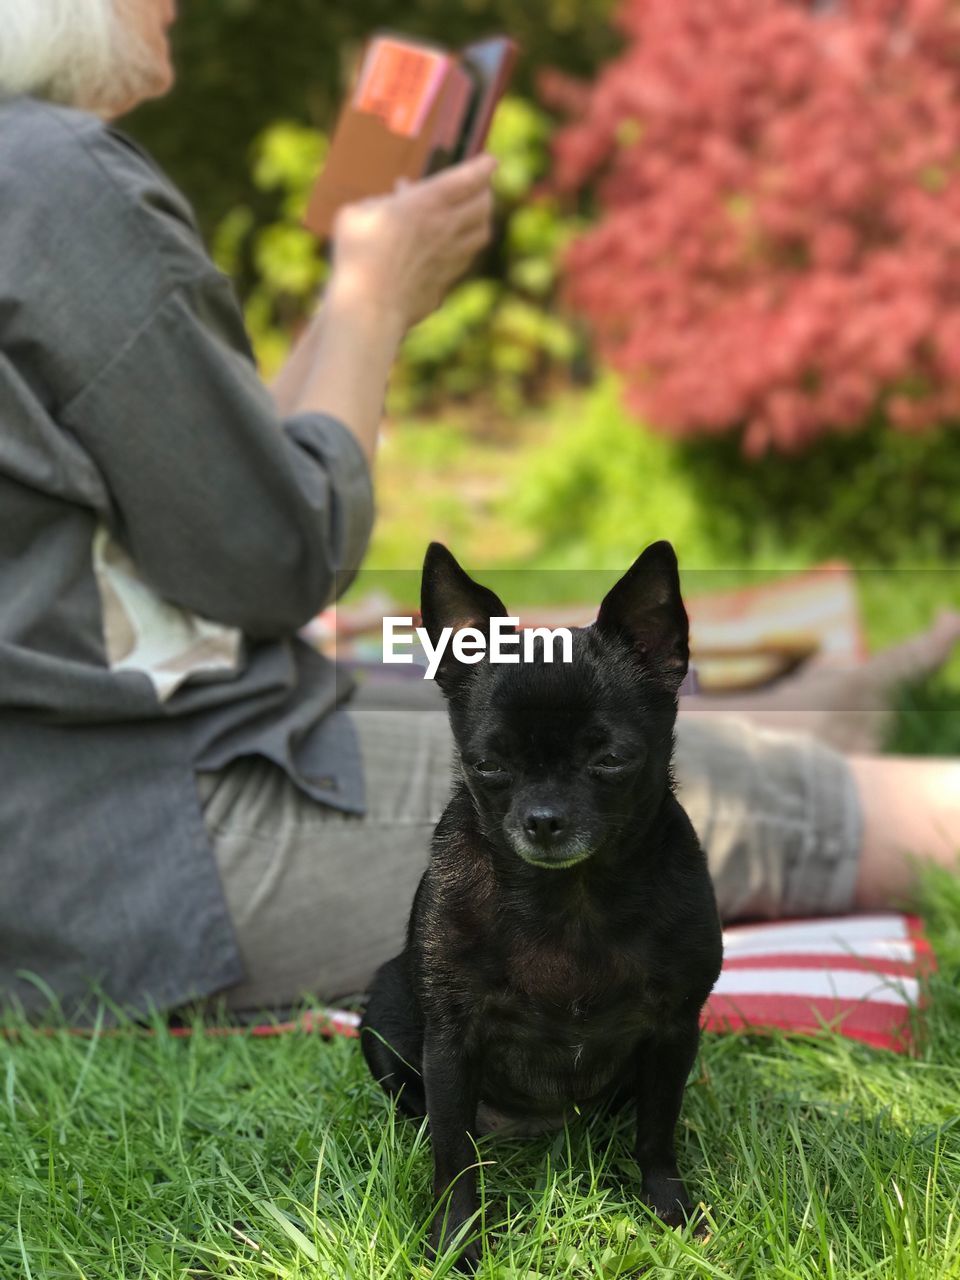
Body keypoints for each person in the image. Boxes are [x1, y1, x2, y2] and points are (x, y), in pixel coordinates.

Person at [0, 0, 957, 1021]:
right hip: (113, 838)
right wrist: (375, 300)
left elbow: (222, 498)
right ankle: (860, 780)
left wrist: (356, 291)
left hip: (122, 743)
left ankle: (834, 703)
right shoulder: (49, 177)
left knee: (556, 693)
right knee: (737, 802)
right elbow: (278, 562)